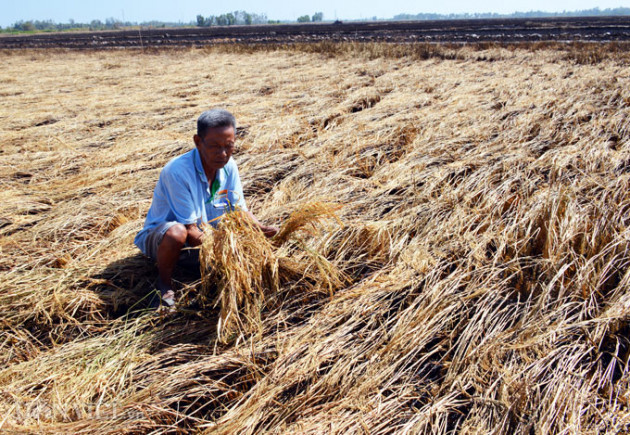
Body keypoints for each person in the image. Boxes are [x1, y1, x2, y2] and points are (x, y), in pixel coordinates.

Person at [134, 108, 278, 308]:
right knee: (177, 233)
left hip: (204, 239)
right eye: (214, 146)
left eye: (229, 146)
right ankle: (164, 283)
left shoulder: (229, 167)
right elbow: (191, 230)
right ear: (197, 141)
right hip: (164, 240)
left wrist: (262, 230)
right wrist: (226, 253)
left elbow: (238, 211)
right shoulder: (177, 171)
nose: (223, 154)